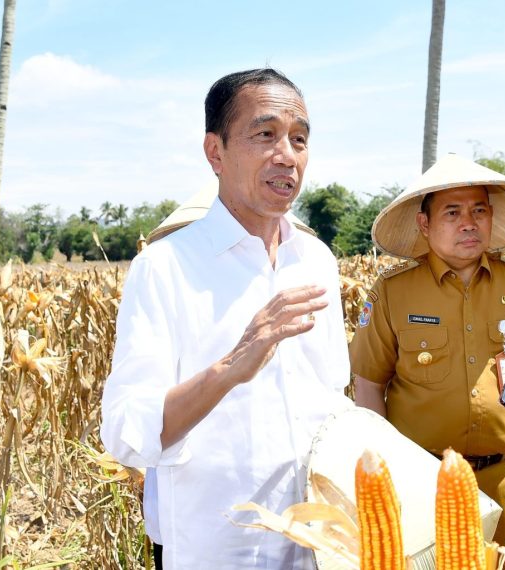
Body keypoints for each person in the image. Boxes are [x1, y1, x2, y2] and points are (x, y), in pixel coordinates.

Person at [100, 68, 351, 569]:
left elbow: (333, 401)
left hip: (319, 547)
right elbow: (127, 432)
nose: (287, 154)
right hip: (216, 547)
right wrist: (232, 366)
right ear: (215, 152)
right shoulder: (165, 267)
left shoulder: (318, 261)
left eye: (299, 139)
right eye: (265, 134)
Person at [348, 154, 505, 547]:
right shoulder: (392, 291)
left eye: (479, 210)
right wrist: (385, 473)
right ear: (424, 223)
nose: (469, 222)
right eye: (452, 212)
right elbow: (367, 385)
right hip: (421, 478)